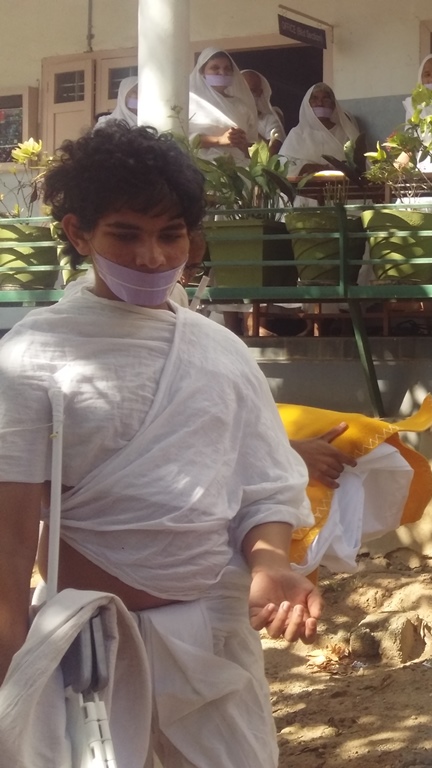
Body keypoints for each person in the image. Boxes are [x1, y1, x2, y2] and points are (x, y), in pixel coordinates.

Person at [0, 123, 321, 766]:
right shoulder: (34, 356)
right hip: (89, 646)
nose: (151, 257)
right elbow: (7, 547)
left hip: (213, 640)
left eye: (169, 234)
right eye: (125, 234)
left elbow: (264, 486)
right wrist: (11, 677)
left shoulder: (220, 351)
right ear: (77, 233)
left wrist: (270, 563)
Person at [188, 48, 260, 163]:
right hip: (204, 170)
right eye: (215, 68)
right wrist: (219, 140)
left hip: (238, 170)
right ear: (202, 72)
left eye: (227, 69)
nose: (222, 72)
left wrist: (242, 144)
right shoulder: (192, 102)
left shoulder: (241, 106)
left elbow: (250, 144)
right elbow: (183, 138)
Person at [279, 82, 361, 178]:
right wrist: (306, 167)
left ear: (333, 105)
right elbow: (281, 163)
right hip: (304, 190)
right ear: (308, 104)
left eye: (326, 99)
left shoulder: (346, 133)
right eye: (315, 99)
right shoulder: (297, 133)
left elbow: (359, 165)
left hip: (339, 188)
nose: (320, 103)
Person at [241, 69, 286, 154]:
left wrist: (248, 131)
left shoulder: (270, 120)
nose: (247, 95)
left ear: (259, 93)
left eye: (252, 91)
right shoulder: (225, 118)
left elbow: (272, 153)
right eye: (243, 90)